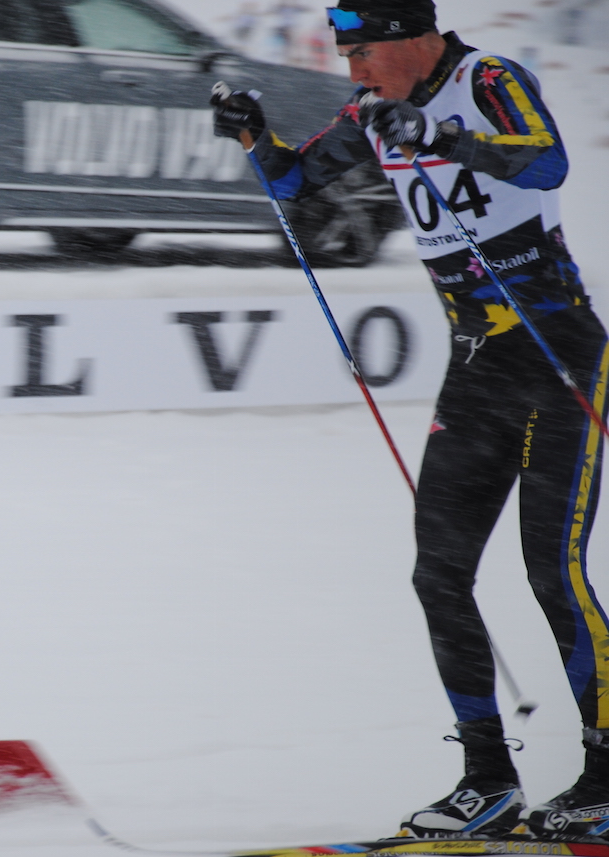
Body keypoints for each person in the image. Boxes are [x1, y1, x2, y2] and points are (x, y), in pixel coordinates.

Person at [211, 0, 609, 842]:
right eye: (346, 56)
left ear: (412, 39)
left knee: (552, 571)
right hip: (477, 372)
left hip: (559, 357)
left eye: (362, 54)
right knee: (439, 573)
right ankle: (487, 777)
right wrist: (253, 135)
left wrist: (441, 137)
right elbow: (292, 182)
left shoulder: (488, 80)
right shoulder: (371, 113)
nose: (353, 73)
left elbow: (545, 165)